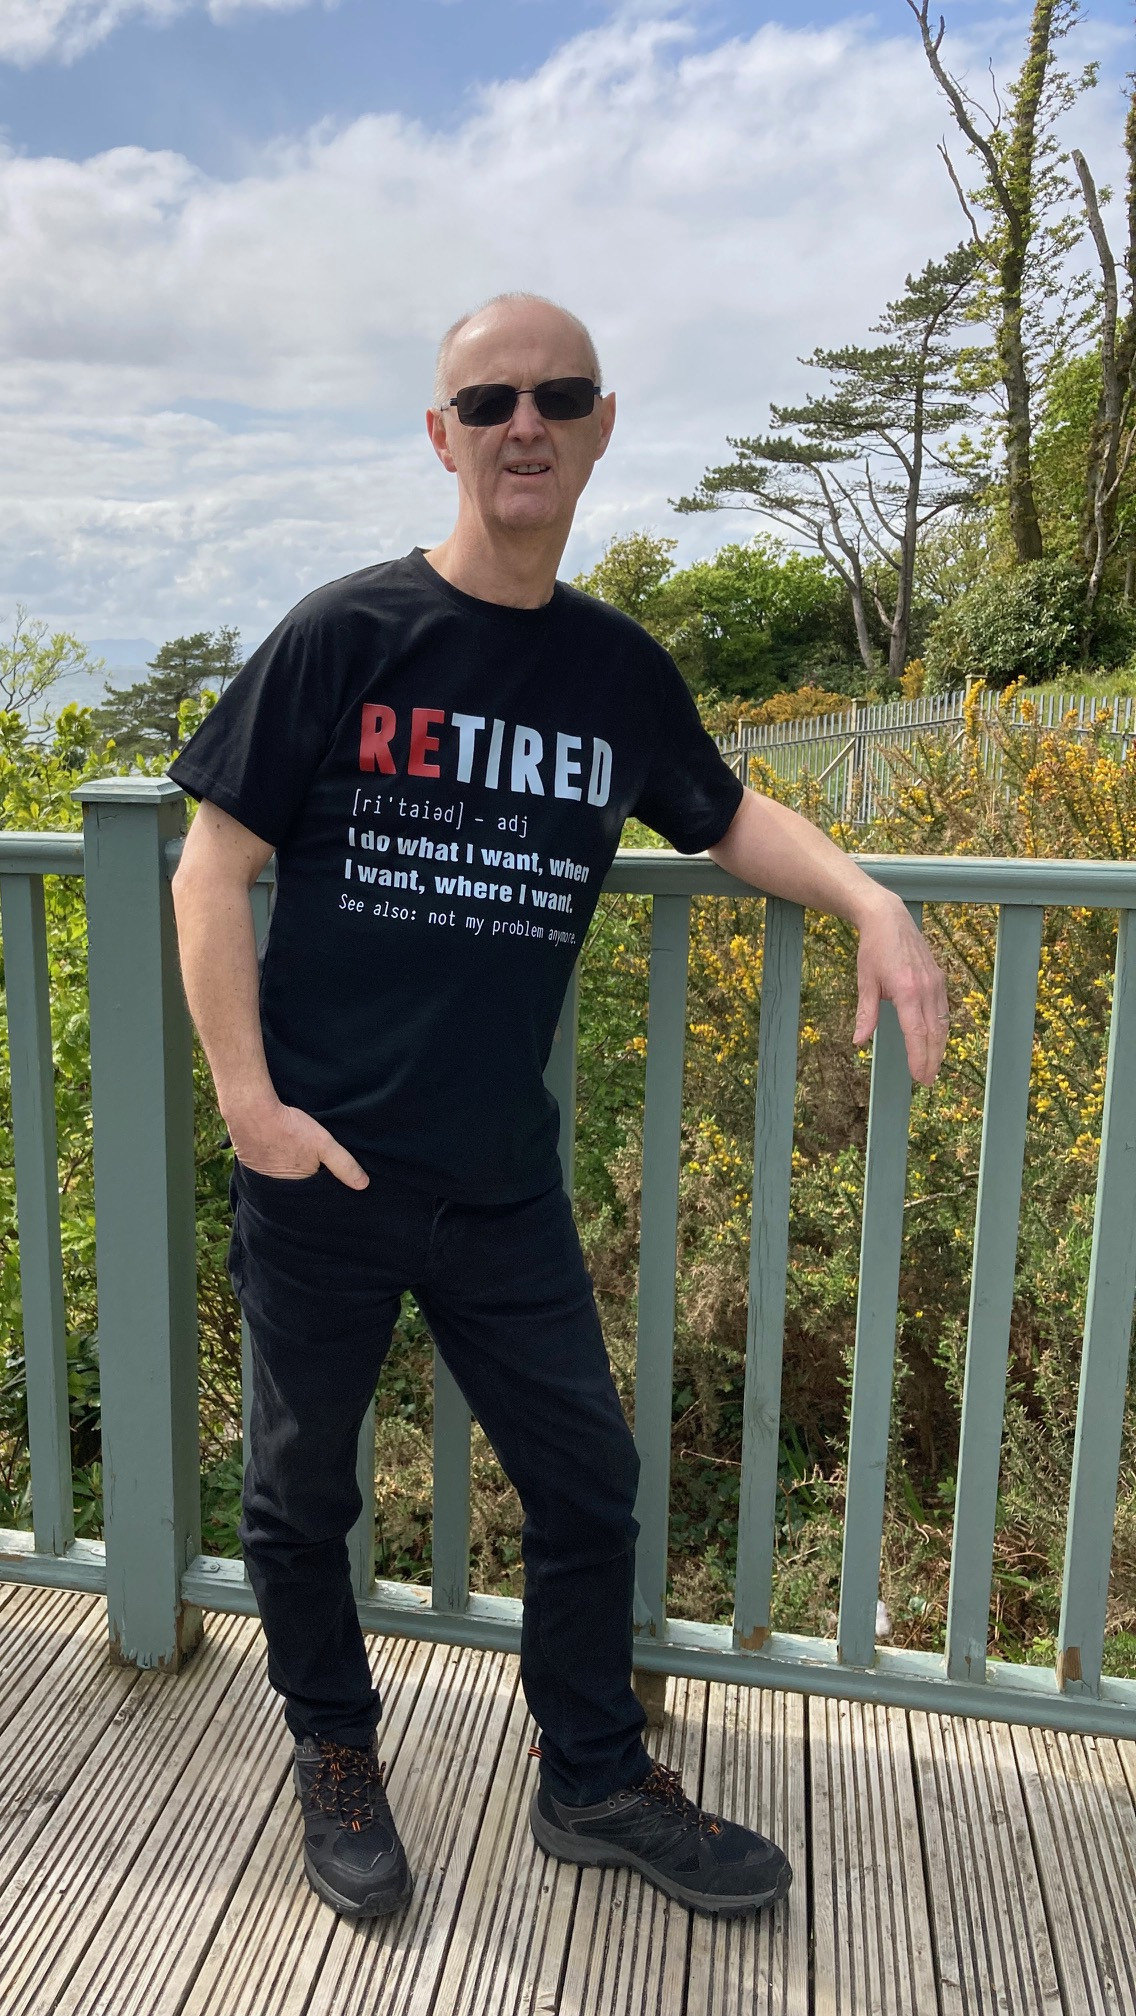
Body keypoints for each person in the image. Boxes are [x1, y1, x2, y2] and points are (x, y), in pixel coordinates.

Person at [168, 293, 948, 1922]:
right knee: (302, 1496)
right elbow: (212, 865)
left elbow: (726, 816)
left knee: (587, 1485)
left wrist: (872, 901)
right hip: (321, 1167)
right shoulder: (346, 636)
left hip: (500, 1182)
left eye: (559, 396)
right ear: (441, 435)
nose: (525, 422)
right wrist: (250, 1108)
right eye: (490, 399)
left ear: (598, 431)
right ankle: (334, 1753)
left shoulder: (613, 672)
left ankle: (591, 1777)